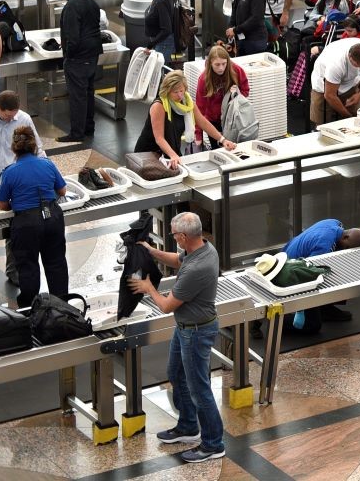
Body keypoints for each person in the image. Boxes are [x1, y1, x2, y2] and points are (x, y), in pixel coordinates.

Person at [129, 212, 225, 462]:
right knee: (176, 373)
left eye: (173, 235)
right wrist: (151, 251)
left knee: (199, 390)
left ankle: (214, 444)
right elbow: (177, 259)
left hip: (196, 332)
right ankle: (188, 426)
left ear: (183, 236)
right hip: (186, 327)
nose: (173, 239)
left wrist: (149, 288)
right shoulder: (203, 248)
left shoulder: (197, 268)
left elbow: (166, 306)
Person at [0, 125, 67, 309]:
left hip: (26, 224)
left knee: (28, 268)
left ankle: (31, 311)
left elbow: (2, 205)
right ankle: (61, 309)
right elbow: (62, 190)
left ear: (14, 148)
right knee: (56, 263)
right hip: (52, 218)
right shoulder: (47, 164)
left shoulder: (10, 172)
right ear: (34, 146)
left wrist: (19, 204)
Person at [57, 0, 102, 144]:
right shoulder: (89, 0)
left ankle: (77, 133)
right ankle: (89, 127)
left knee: (77, 96)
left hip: (78, 57)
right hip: (93, 54)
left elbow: (72, 37)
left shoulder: (71, 7)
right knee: (89, 93)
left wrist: (68, 54)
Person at [308, 36, 360, 126]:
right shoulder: (336, 64)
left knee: (354, 120)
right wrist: (347, 116)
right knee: (322, 124)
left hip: (351, 82)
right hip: (323, 86)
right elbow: (329, 95)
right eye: (358, 65)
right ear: (349, 56)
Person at [193, 46, 248, 152]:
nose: (221, 68)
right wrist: (198, 135)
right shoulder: (203, 79)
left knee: (237, 149)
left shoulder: (236, 69)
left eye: (224, 64)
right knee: (218, 152)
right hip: (213, 121)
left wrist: (237, 94)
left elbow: (245, 90)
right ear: (210, 64)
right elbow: (199, 109)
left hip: (233, 118)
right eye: (217, 65)